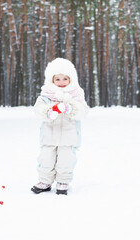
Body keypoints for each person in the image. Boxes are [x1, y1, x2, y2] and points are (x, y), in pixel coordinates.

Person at [31, 58, 89, 195]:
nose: (61, 82)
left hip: (69, 137)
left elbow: (84, 110)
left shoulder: (75, 95)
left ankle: (63, 181)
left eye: (65, 79)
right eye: (57, 79)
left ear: (71, 79)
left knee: (66, 160)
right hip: (49, 135)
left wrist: (71, 109)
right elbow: (37, 109)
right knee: (46, 159)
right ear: (51, 80)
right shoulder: (46, 95)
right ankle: (45, 181)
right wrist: (49, 111)